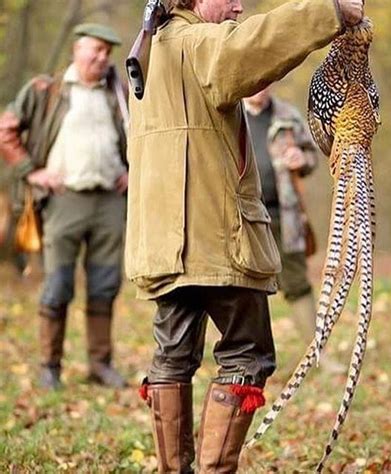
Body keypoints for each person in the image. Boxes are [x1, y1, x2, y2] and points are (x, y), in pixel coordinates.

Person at [126, 0, 364, 471]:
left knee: (173, 357)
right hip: (217, 238)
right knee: (246, 357)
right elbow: (257, 45)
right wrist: (331, 10)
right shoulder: (200, 43)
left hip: (163, 245)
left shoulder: (154, 51)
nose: (238, 5)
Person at [0, 23, 129, 390]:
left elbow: (141, 136)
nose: (103, 58)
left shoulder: (118, 94)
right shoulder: (47, 90)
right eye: (97, 50)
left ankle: (100, 364)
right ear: (78, 50)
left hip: (108, 201)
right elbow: (6, 129)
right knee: (57, 285)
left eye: (108, 52)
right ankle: (50, 366)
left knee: (105, 285)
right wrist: (31, 171)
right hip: (62, 201)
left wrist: (131, 172)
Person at [244, 87, 320, 343]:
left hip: (284, 215)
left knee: (297, 283)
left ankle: (318, 354)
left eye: (266, 80)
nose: (260, 87)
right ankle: (247, 358)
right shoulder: (228, 113)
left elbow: (312, 155)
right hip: (242, 219)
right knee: (243, 288)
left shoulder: (287, 115)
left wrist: (303, 158)